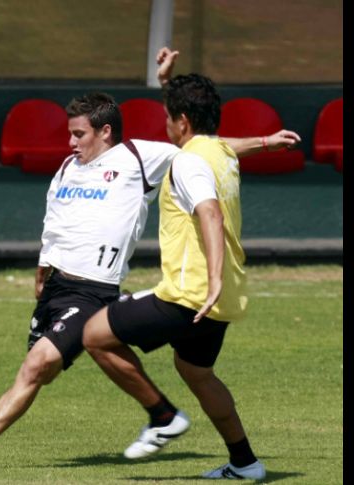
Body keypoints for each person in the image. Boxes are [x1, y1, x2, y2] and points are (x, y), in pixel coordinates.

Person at [0, 50, 300, 470]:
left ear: (105, 131)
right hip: (59, 286)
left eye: (79, 134)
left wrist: (263, 142)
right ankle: (244, 462)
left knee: (56, 356)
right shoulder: (66, 168)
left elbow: (206, 148)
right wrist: (44, 264)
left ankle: (161, 417)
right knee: (182, 373)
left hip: (106, 291)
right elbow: (55, 220)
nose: (71, 142)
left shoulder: (140, 158)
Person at [82, 67, 268, 480]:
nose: (165, 124)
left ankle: (162, 416)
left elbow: (210, 213)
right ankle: (245, 463)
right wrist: (267, 141)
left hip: (190, 294)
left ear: (181, 122)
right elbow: (208, 139)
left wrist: (213, 278)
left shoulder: (187, 162)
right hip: (220, 300)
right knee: (196, 371)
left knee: (94, 335)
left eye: (169, 116)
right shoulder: (219, 152)